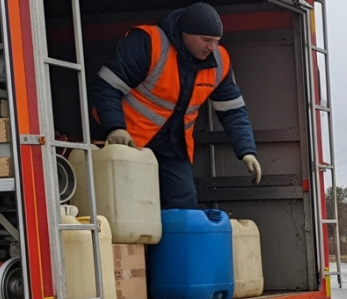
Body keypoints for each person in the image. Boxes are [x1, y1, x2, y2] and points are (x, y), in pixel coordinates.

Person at [90, 3, 261, 210]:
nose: (211, 47)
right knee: (130, 209)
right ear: (185, 33)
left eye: (216, 41)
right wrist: (115, 128)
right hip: (129, 143)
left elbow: (233, 110)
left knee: (184, 210)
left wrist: (246, 150)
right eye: (206, 40)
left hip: (173, 148)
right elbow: (106, 85)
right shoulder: (149, 43)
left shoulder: (219, 61)